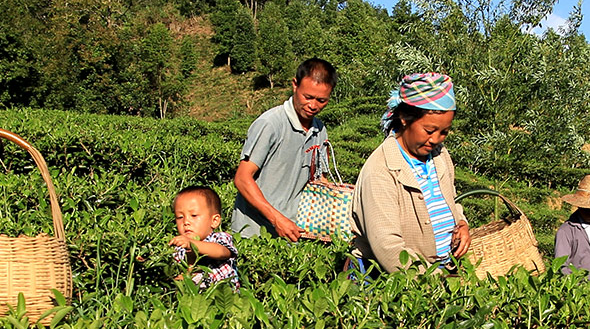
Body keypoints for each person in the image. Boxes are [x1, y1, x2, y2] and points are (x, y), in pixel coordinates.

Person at [350, 71, 471, 274]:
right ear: (405, 118)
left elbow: (452, 201)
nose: (436, 139)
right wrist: (431, 282)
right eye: (429, 130)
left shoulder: (440, 156)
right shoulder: (380, 170)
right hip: (402, 283)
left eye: (444, 132)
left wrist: (461, 223)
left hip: (444, 271)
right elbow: (388, 248)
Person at [232, 58, 336, 240]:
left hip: (293, 234)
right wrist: (277, 220)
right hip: (254, 235)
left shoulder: (320, 130)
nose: (313, 106)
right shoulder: (270, 124)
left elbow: (320, 180)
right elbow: (242, 178)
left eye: (321, 100)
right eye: (308, 97)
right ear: (295, 85)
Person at [171, 185, 239, 289]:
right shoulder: (180, 247)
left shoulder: (218, 238)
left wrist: (192, 245)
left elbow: (222, 252)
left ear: (214, 221)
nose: (186, 222)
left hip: (223, 298)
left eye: (194, 215)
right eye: (180, 217)